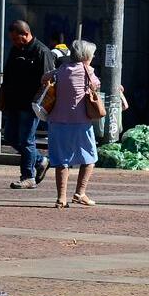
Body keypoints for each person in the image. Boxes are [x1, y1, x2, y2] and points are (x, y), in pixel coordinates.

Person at [45, 39, 101, 208]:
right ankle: (80, 193)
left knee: (62, 160)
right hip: (80, 122)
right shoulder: (88, 72)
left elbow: (44, 77)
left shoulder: (60, 70)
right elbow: (96, 85)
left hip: (57, 121)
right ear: (86, 56)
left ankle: (61, 198)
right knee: (90, 157)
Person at [1, 20, 56, 189]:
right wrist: (1, 99)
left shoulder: (42, 51)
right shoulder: (15, 50)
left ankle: (28, 176)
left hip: (30, 104)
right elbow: (7, 76)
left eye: (16, 39)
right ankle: (40, 160)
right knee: (10, 137)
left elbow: (48, 82)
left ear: (25, 34)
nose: (14, 42)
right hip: (14, 102)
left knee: (26, 140)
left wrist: (41, 103)